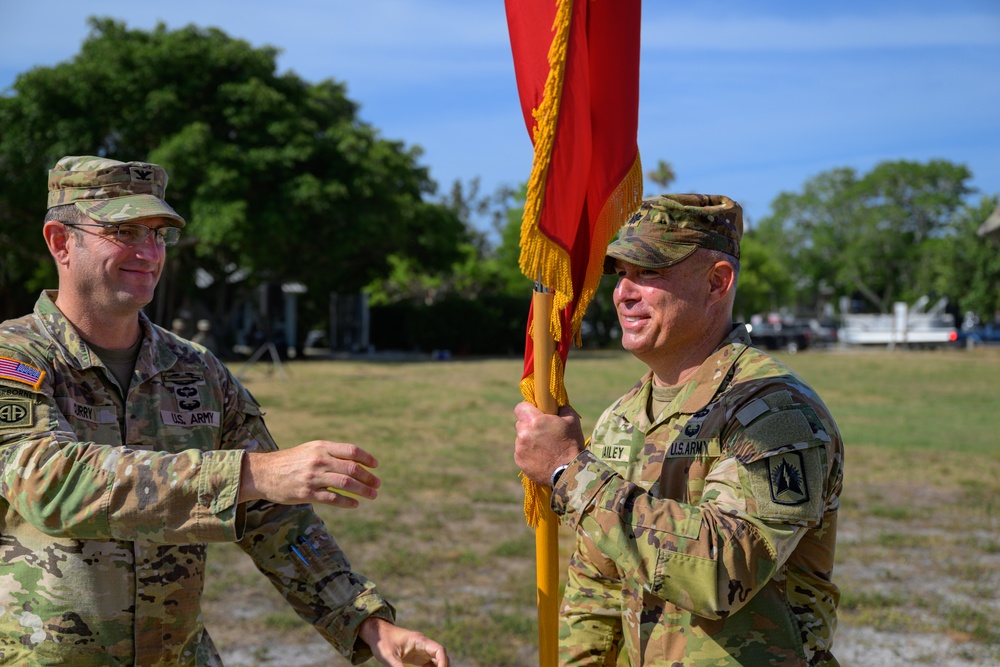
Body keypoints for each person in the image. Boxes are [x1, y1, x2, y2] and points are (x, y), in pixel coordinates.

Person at [0, 156, 448, 667]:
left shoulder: (195, 370)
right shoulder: (14, 357)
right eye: (123, 230)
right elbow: (46, 482)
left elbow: (273, 518)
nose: (148, 252)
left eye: (159, 234)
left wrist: (365, 622)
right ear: (61, 241)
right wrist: (248, 473)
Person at [514, 194, 844, 666]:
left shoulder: (775, 413)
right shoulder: (621, 417)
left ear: (717, 282)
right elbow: (599, 585)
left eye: (649, 272)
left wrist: (570, 471)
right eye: (621, 273)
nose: (625, 292)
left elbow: (724, 571)